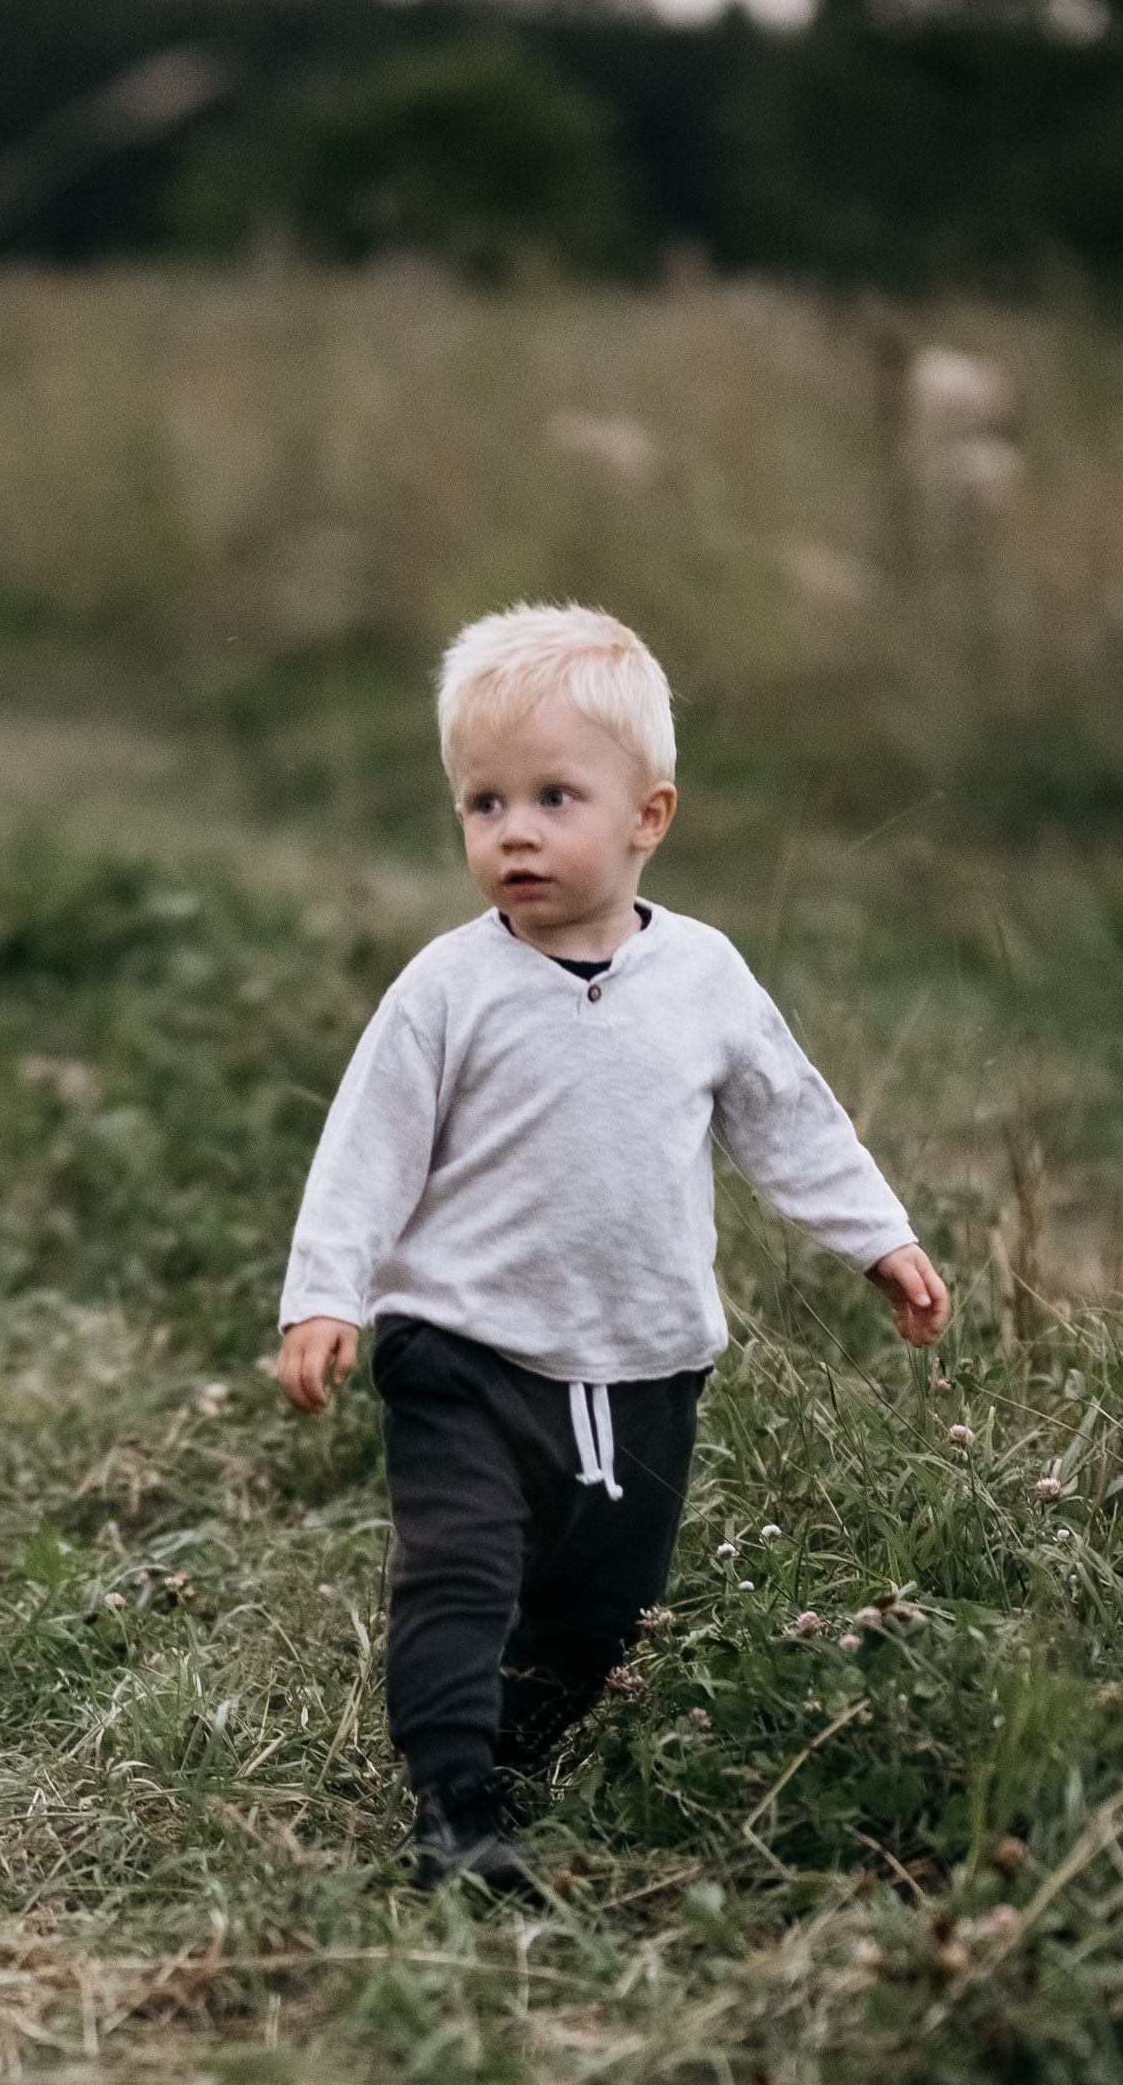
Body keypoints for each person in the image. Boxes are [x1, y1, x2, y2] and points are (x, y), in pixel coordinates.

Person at [274, 600, 947, 1891]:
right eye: (484, 803)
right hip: (460, 1347)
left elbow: (788, 1119)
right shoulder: (446, 989)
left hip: (643, 1361)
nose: (514, 829)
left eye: (554, 797)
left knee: (602, 1616)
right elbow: (366, 1150)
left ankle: (514, 1767)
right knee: (461, 1574)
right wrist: (327, 1296)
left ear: (649, 816)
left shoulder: (703, 977)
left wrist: (877, 1236)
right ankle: (453, 1806)